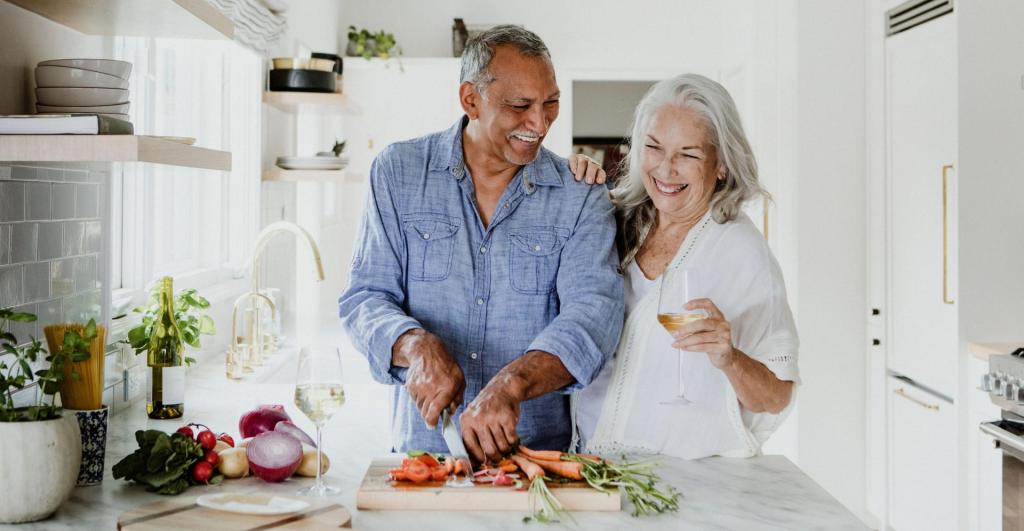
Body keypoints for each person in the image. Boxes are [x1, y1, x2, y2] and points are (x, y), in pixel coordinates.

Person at [338, 25, 624, 463]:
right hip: (422, 456)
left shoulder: (580, 194)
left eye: (551, 104)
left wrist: (512, 384)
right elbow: (365, 297)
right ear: (470, 100)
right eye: (520, 106)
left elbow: (592, 317)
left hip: (535, 461)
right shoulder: (398, 172)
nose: (540, 123)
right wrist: (415, 345)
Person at [572, 74, 799, 459]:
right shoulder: (614, 219)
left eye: (688, 154)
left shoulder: (742, 252)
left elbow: (775, 396)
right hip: (589, 463)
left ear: (722, 165)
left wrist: (730, 357)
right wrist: (570, 180)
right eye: (654, 147)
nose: (665, 168)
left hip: (683, 481)